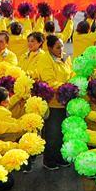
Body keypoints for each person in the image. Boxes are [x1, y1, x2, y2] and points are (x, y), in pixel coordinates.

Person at [37, 34, 74, 170]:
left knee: (61, 133)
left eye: (62, 46)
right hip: (53, 103)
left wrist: (75, 83)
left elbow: (71, 74)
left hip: (65, 102)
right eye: (58, 47)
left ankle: (59, 156)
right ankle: (49, 159)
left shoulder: (64, 58)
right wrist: (67, 87)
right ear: (49, 48)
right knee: (52, 132)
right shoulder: (45, 60)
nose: (61, 49)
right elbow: (49, 82)